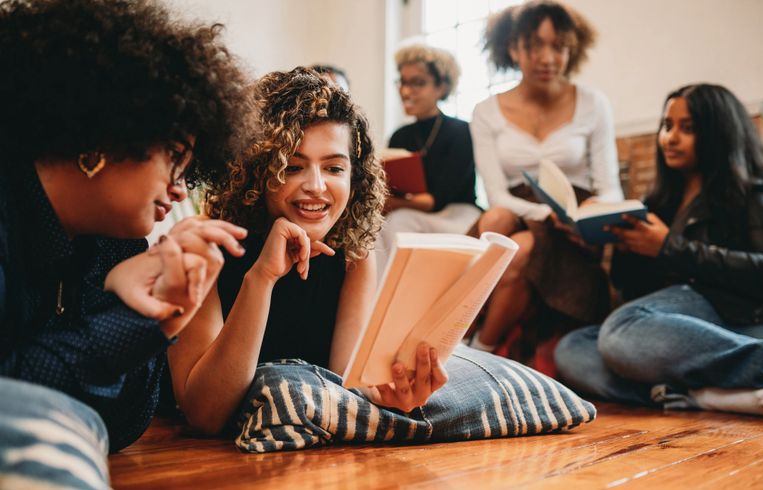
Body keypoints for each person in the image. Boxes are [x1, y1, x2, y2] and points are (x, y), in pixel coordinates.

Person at [0, 0, 256, 456]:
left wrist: (157, 316)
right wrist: (128, 320)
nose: (180, 190)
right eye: (175, 157)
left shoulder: (116, 245)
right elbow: (14, 404)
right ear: (103, 134)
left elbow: (122, 425)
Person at [168, 68, 449, 435]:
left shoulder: (353, 257)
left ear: (355, 177)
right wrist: (261, 278)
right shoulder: (206, 247)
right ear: (256, 171)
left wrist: (392, 397)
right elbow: (205, 414)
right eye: (294, 167)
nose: (316, 187)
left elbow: (348, 387)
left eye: (334, 167)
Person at [555, 83, 763, 418]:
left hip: (746, 319)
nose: (670, 138)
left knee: (619, 330)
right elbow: (635, 291)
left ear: (718, 134)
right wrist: (620, 241)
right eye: (667, 126)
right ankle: (701, 395)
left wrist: (668, 247)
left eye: (687, 129)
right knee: (573, 348)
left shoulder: (752, 195)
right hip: (687, 327)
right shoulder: (660, 203)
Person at [469, 1, 622, 353]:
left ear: (572, 48)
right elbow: (496, 195)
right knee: (495, 219)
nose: (547, 57)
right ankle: (469, 332)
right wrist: (543, 213)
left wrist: (594, 212)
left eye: (558, 46)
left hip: (574, 228)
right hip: (519, 211)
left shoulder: (593, 104)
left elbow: (610, 186)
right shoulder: (486, 112)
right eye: (534, 45)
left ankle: (480, 348)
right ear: (512, 47)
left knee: (519, 250)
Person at [375, 44, 481, 275]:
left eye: (418, 83)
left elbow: (436, 200)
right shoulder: (400, 135)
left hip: (457, 216)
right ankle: (377, 304)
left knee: (398, 222)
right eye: (403, 82)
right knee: (374, 229)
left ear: (441, 86)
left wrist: (389, 204)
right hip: (411, 213)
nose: (405, 91)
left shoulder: (462, 132)